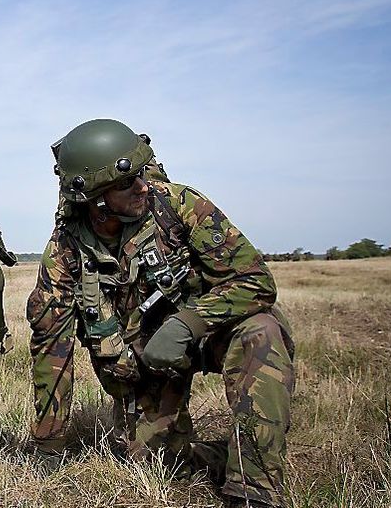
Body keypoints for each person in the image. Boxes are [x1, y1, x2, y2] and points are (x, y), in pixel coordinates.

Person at [27, 119, 295, 508]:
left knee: (261, 331)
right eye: (125, 183)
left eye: (140, 174)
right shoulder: (65, 252)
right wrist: (49, 444)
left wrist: (188, 323)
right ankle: (229, 453)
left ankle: (254, 491)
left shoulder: (180, 205)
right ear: (96, 199)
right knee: (159, 465)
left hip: (209, 334)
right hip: (145, 363)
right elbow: (52, 349)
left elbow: (256, 282)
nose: (141, 186)